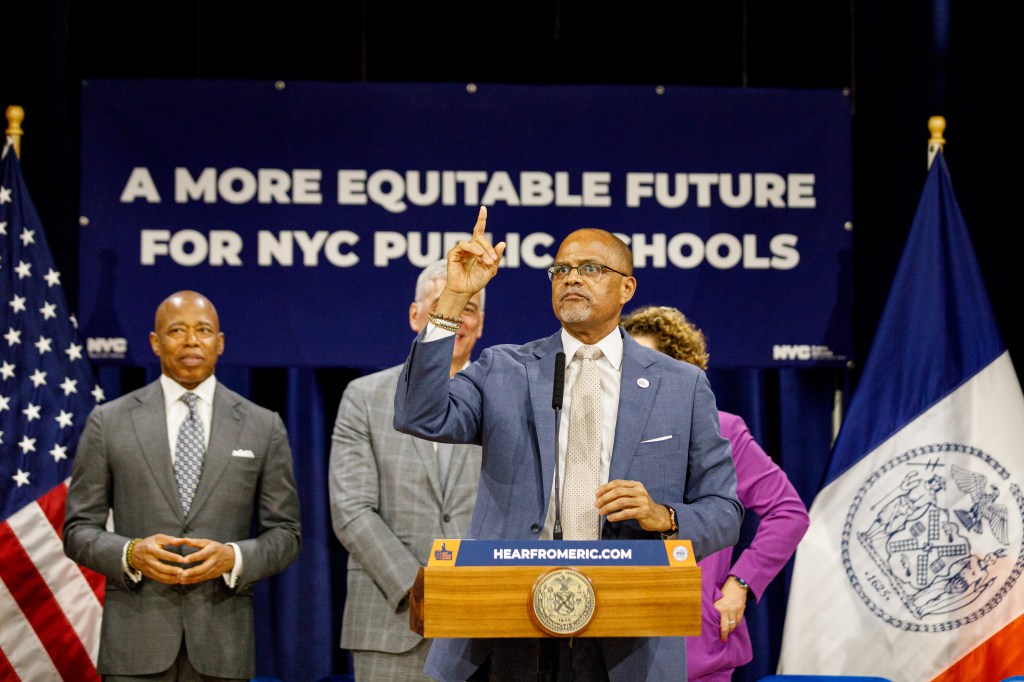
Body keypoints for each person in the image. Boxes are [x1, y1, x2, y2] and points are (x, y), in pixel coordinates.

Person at [393, 207, 743, 682]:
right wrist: (454, 299)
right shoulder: (504, 369)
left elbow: (725, 510)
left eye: (590, 269)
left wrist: (665, 517)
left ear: (627, 288)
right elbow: (420, 414)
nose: (571, 278)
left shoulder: (682, 386)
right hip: (506, 626)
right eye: (561, 269)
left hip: (626, 636)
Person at [63, 290, 302, 681]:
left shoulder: (263, 426)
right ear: (156, 342)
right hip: (134, 649)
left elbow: (287, 534)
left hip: (222, 648)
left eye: (203, 330)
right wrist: (129, 553)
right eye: (177, 330)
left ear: (219, 343)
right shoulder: (109, 422)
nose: (191, 340)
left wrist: (234, 557)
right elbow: (77, 530)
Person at [620, 304, 809, 682]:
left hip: (696, 647)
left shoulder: (721, 430)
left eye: (649, 363)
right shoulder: (601, 433)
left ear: (682, 371)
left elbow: (788, 513)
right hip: (614, 633)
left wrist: (741, 583)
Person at [329, 259, 486, 680]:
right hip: (390, 621)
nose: (455, 317)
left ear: (481, 323)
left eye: (467, 308)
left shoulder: (506, 398)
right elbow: (352, 510)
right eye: (442, 305)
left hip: (485, 620)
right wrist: (417, 586)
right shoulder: (363, 397)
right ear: (416, 316)